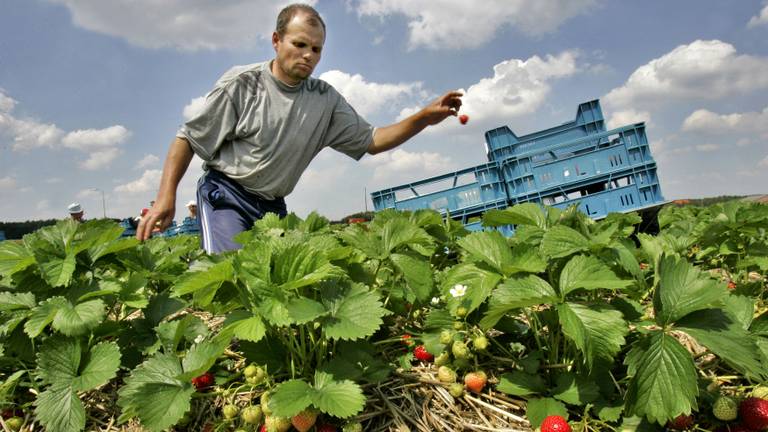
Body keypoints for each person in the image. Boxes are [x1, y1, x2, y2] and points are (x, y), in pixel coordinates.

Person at [136, 3, 463, 252]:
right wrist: (166, 197)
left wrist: (423, 118)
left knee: (283, 287)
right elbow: (188, 138)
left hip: (272, 207)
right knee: (231, 280)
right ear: (277, 41)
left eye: (316, 49)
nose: (308, 55)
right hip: (227, 195)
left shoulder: (325, 101)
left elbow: (373, 140)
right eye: (300, 44)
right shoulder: (243, 84)